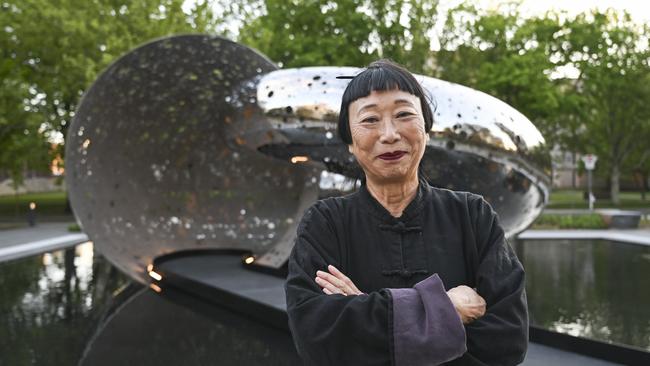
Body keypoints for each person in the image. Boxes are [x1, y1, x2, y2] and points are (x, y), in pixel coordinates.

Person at [285, 59, 528, 366]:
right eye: (370, 120)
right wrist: (446, 309)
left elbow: (508, 340)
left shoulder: (472, 215)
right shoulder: (325, 223)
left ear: (426, 130)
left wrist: (362, 311)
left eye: (403, 115)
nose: (389, 134)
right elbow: (316, 339)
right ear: (349, 142)